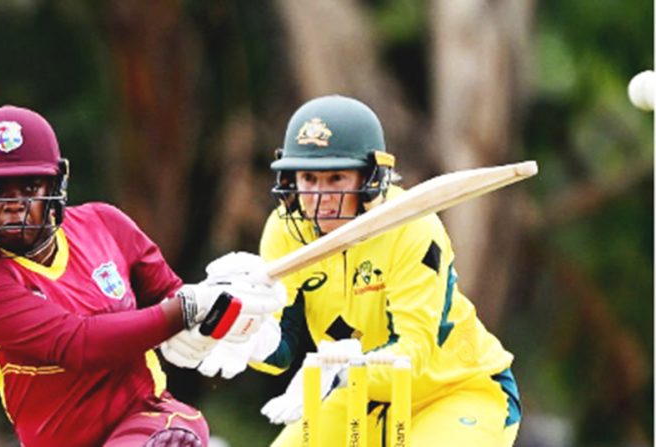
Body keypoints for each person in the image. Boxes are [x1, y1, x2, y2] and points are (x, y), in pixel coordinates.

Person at [0, 105, 284, 447]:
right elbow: (76, 344)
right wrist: (187, 310)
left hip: (149, 420)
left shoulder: (105, 224)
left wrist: (220, 317)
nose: (12, 202)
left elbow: (170, 296)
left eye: (29, 185)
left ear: (56, 183)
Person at [189, 95, 522, 446]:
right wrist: (253, 339)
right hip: (359, 394)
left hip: (454, 390)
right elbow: (284, 345)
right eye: (308, 178)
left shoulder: (413, 228)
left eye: (336, 178)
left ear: (371, 176)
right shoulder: (284, 231)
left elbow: (416, 352)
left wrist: (350, 368)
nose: (321, 198)